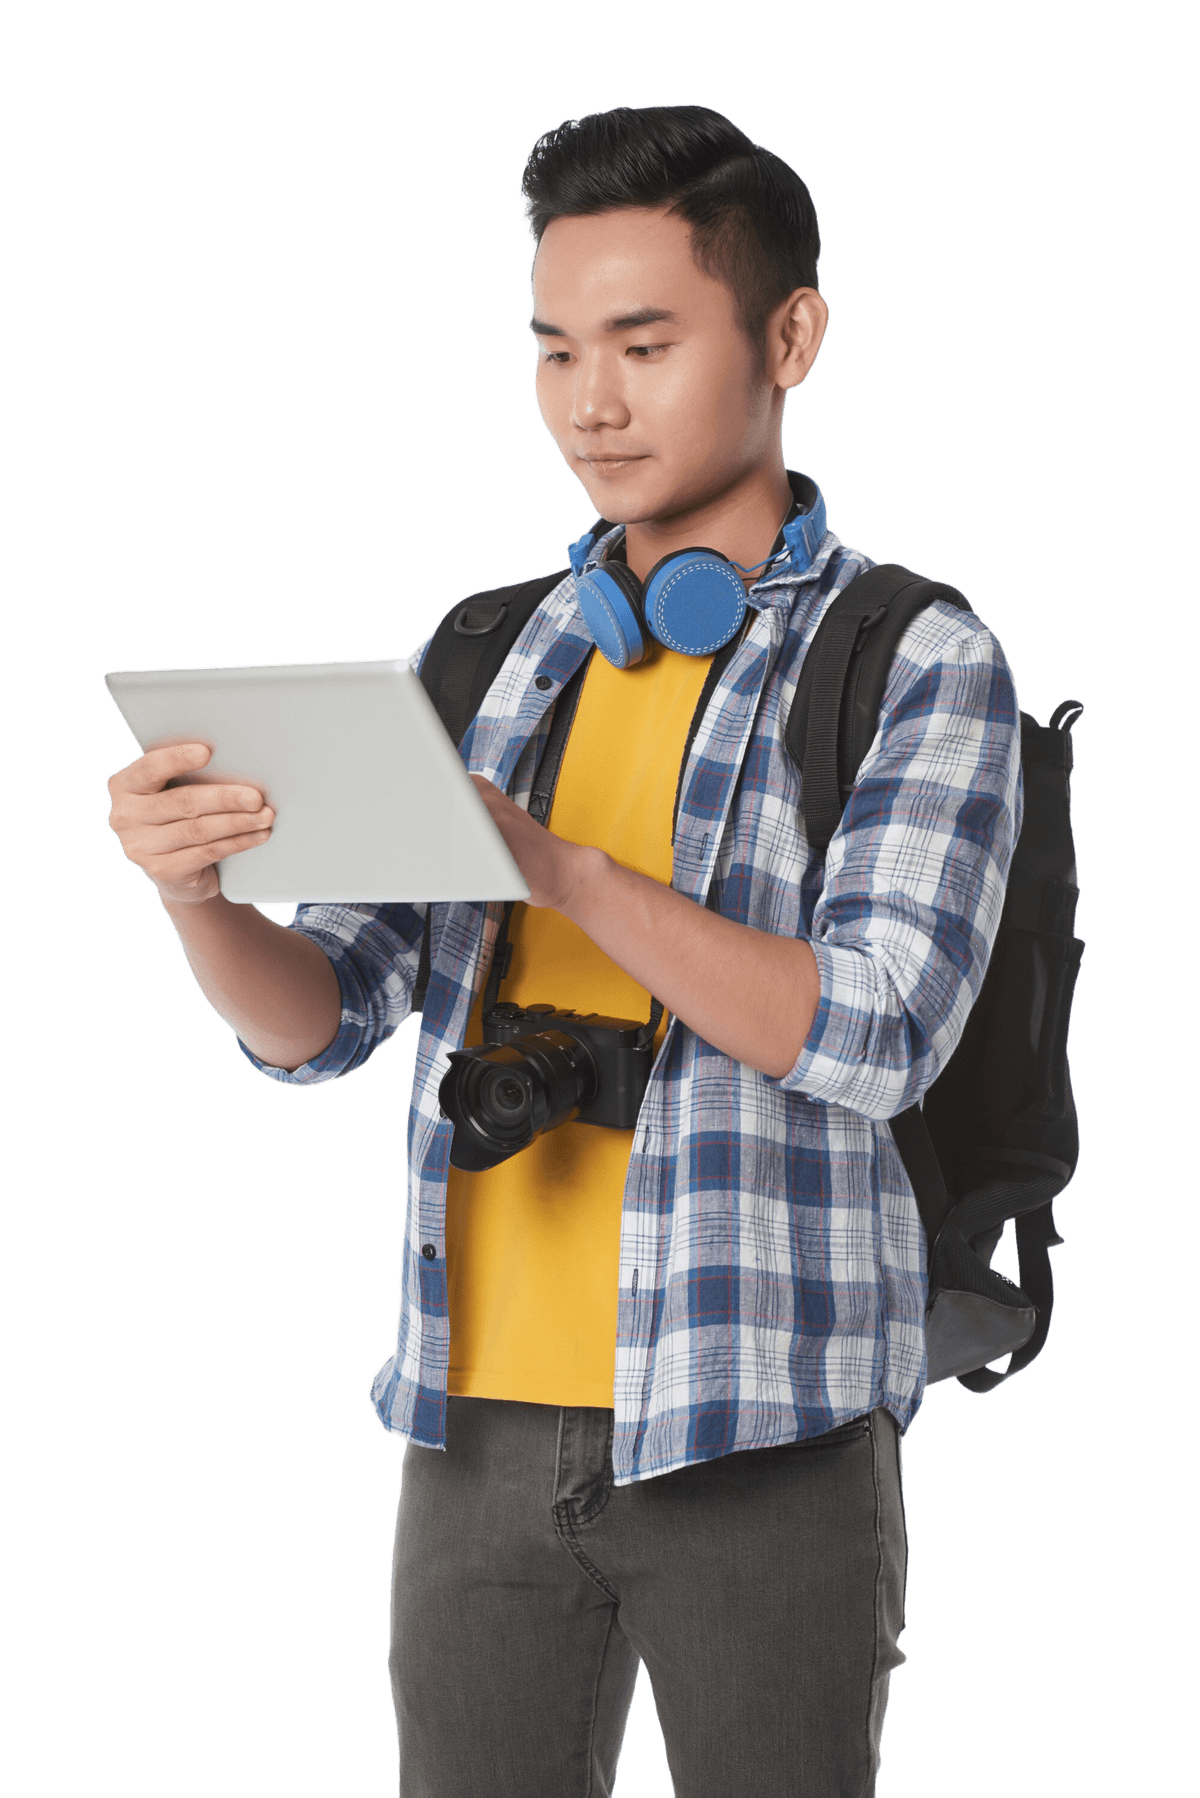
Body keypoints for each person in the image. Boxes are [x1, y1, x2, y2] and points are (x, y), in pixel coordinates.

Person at [106, 105, 1021, 1798]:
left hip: (764, 1418)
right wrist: (198, 893)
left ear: (790, 334)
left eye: (646, 344)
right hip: (468, 1423)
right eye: (554, 349)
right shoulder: (488, 652)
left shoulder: (914, 656)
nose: (590, 402)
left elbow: (878, 1026)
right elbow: (326, 1021)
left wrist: (563, 870)